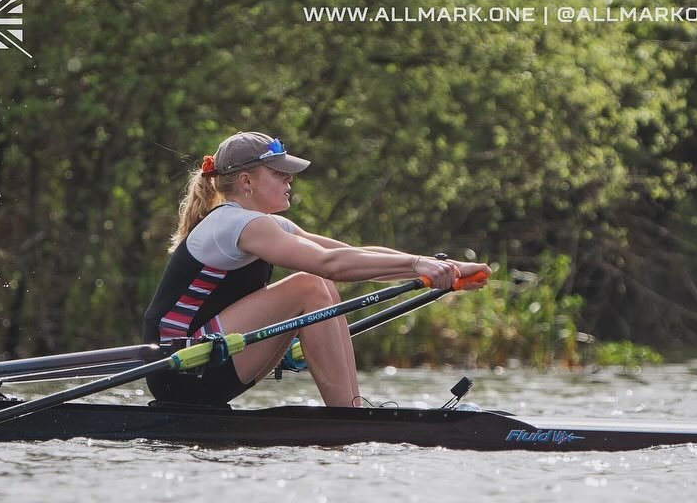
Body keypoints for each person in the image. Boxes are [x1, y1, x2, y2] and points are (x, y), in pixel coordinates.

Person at [142, 131, 491, 407]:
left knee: (320, 286)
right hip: (180, 366)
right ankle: (348, 418)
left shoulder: (265, 224)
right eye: (279, 174)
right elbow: (330, 264)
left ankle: (351, 410)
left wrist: (451, 268)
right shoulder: (236, 223)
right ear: (246, 182)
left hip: (212, 358)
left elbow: (350, 254)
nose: (289, 180)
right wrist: (417, 264)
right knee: (310, 284)